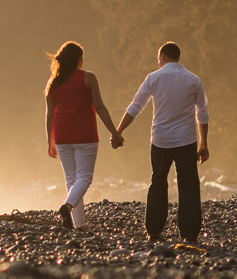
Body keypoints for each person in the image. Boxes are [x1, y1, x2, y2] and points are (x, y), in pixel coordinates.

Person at [116, 41, 209, 245]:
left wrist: (119, 130)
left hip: (161, 140)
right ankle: (189, 233)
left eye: (159, 58)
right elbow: (201, 112)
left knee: (158, 182)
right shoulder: (194, 80)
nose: (158, 62)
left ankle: (154, 231)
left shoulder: (154, 78)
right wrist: (204, 143)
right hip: (186, 140)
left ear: (164, 57)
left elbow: (136, 107)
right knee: (189, 185)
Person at [43, 41, 123, 231]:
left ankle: (79, 225)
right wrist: (115, 132)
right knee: (84, 177)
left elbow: (49, 115)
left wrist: (50, 141)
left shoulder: (52, 83)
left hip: (62, 136)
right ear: (78, 59)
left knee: (72, 180)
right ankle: (67, 207)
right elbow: (100, 108)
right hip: (85, 135)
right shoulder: (88, 78)